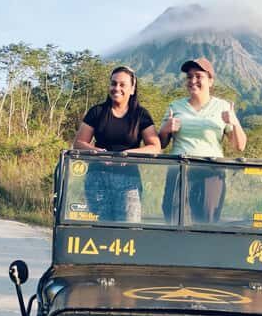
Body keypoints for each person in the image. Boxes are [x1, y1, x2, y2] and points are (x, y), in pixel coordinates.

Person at [158, 57, 246, 222]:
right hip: (178, 171)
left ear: (210, 81)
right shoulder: (175, 106)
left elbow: (239, 146)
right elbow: (161, 144)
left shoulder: (223, 107)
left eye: (198, 76)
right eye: (189, 77)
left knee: (207, 221)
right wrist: (165, 129)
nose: (193, 81)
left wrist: (234, 122)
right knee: (173, 218)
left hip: (211, 173)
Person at [72, 65, 160, 222]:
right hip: (97, 178)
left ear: (132, 89)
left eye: (122, 84)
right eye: (113, 83)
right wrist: (97, 152)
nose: (116, 88)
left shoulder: (141, 115)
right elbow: (79, 143)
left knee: (128, 229)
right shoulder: (97, 112)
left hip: (129, 180)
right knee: (102, 229)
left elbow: (155, 147)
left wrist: (127, 155)